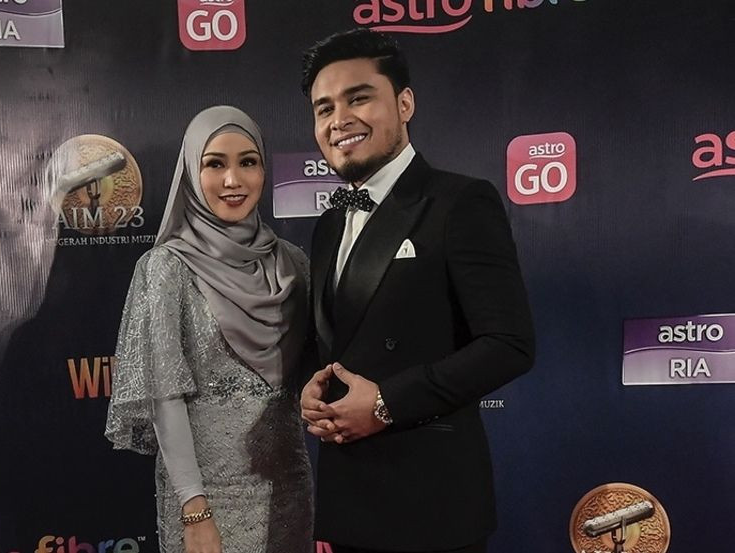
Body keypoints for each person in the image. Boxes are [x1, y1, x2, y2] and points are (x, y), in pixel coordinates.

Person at [299, 29, 535, 553]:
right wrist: (312, 390)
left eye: (359, 98)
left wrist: (386, 403)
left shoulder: (460, 202)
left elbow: (510, 344)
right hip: (349, 501)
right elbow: (344, 341)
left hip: (432, 505)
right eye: (324, 108)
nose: (339, 119)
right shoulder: (328, 226)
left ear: (404, 103)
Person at [106, 106, 313, 553]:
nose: (233, 180)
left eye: (248, 162)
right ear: (191, 172)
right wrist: (194, 508)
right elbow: (165, 397)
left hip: (288, 490)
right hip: (207, 500)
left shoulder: (293, 263)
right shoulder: (166, 268)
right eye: (215, 164)